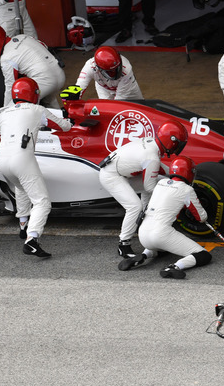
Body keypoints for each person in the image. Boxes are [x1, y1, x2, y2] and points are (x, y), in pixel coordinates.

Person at [0, 77, 72, 258]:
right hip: (22, 158)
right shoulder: (37, 109)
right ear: (34, 94)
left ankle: (23, 225)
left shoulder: (4, 113)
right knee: (42, 202)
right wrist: (71, 119)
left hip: (2, 159)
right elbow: (63, 127)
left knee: (20, 187)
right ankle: (32, 240)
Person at [99, 120, 189, 258]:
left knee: (161, 183)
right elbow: (150, 185)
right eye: (178, 144)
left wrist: (174, 177)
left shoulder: (151, 143)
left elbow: (156, 171)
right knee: (134, 206)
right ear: (171, 141)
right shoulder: (152, 156)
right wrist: (173, 195)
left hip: (120, 172)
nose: (178, 147)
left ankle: (147, 227)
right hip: (112, 176)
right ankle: (123, 244)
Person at [118, 156, 212, 279]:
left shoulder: (161, 183)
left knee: (164, 248)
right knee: (203, 255)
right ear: (189, 172)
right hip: (161, 234)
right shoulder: (186, 189)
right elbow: (201, 217)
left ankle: (144, 255)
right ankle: (174, 267)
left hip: (143, 234)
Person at [0, 23, 65, 109]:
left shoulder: (7, 57)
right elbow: (44, 46)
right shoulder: (22, 37)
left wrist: (4, 111)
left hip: (45, 82)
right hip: (59, 73)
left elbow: (9, 88)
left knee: (16, 105)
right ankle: (64, 122)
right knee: (50, 103)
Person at [74, 46, 143, 101]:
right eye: (110, 71)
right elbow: (79, 87)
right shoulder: (90, 67)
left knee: (141, 107)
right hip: (104, 89)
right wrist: (72, 99)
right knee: (107, 112)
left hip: (129, 89)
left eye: (116, 68)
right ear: (98, 68)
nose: (115, 72)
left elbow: (120, 99)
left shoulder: (126, 69)